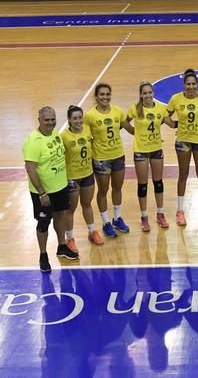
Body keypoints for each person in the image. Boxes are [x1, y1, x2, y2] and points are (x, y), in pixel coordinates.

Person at [23, 106, 78, 272]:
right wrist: (42, 192)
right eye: (47, 120)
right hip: (43, 193)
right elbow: (30, 168)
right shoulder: (33, 141)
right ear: (39, 120)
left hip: (60, 187)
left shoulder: (55, 134)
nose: (50, 123)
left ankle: (62, 246)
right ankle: (43, 255)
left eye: (53, 119)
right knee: (43, 223)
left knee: (60, 216)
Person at [166, 69, 198, 226]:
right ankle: (180, 210)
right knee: (183, 174)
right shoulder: (176, 99)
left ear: (197, 84)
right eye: (188, 84)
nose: (191, 87)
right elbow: (165, 114)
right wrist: (173, 124)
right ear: (184, 85)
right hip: (183, 141)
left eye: (193, 84)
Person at [84, 83, 133, 238]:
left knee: (117, 188)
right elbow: (84, 137)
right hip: (101, 159)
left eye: (107, 94)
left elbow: (131, 130)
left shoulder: (118, 111)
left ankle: (117, 218)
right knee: (103, 191)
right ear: (96, 97)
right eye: (102, 94)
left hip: (118, 155)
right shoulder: (90, 116)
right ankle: (106, 222)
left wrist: (144, 119)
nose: (105, 97)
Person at [126, 81, 175, 231]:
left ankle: (160, 214)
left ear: (153, 93)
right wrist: (134, 132)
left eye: (149, 92)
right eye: (144, 93)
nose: (147, 95)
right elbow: (124, 122)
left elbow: (171, 124)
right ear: (141, 95)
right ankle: (144, 217)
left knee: (158, 183)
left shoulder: (160, 109)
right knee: (142, 185)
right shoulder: (135, 109)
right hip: (140, 150)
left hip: (156, 149)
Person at [61, 105, 104, 248]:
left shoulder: (87, 129)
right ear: (69, 120)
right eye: (75, 118)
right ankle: (70, 239)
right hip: (72, 177)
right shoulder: (64, 137)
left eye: (80, 117)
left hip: (87, 174)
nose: (78, 121)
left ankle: (92, 231)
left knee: (87, 204)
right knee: (70, 209)